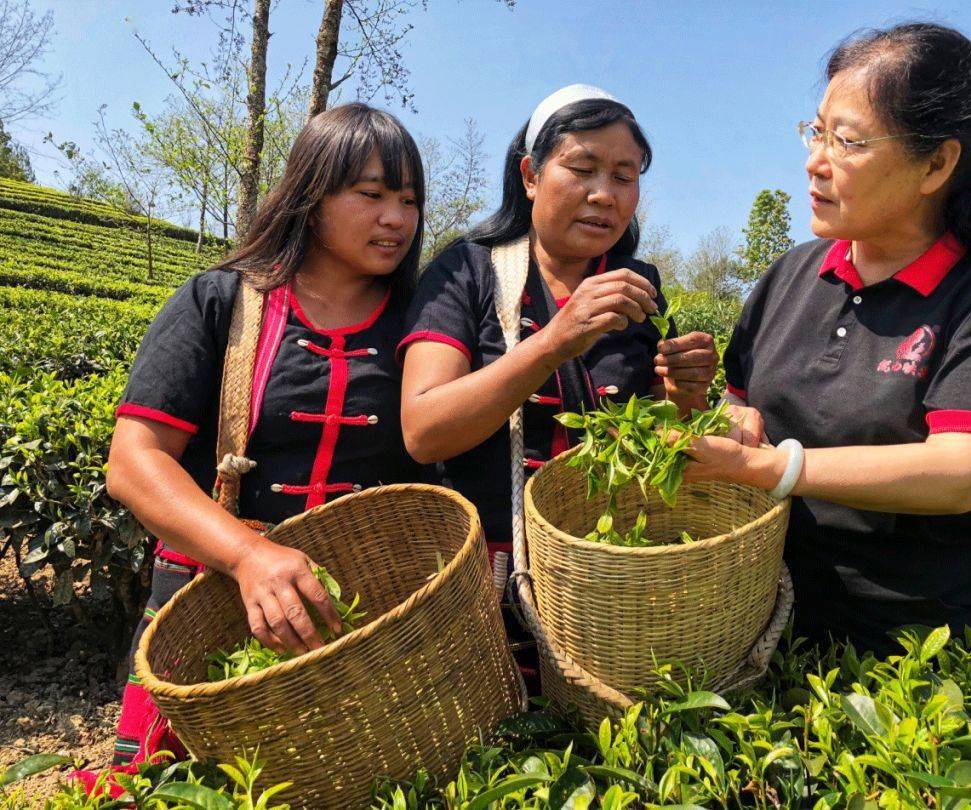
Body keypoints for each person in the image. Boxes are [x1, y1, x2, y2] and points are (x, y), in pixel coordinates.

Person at [680, 23, 971, 655]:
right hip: (752, 609)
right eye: (816, 131)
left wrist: (770, 467)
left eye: (848, 141)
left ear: (937, 163)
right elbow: (739, 404)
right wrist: (729, 424)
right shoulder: (792, 274)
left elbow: (960, 471)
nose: (815, 160)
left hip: (899, 643)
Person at [98, 103, 427, 772]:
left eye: (409, 200)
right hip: (209, 597)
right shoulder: (220, 301)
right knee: (181, 782)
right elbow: (134, 463)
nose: (396, 218)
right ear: (312, 192)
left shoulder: (423, 325)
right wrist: (250, 557)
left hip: (355, 616)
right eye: (371, 195)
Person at [398, 85, 718, 686]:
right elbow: (424, 430)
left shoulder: (638, 285)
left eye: (625, 175)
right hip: (479, 587)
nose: (605, 194)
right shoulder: (468, 269)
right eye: (583, 168)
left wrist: (687, 396)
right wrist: (552, 341)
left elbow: (660, 451)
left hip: (601, 592)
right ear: (530, 174)